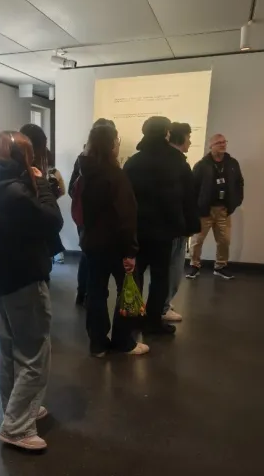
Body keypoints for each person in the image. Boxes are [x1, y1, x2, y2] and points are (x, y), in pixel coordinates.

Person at [0, 131, 63, 452]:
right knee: (34, 353)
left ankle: (16, 410)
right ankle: (17, 427)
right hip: (23, 278)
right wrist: (43, 185)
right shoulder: (16, 193)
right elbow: (52, 221)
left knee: (10, 349)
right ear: (24, 158)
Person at [124, 116, 198, 335]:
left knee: (136, 275)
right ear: (166, 133)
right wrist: (189, 226)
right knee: (160, 278)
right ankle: (154, 320)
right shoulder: (177, 161)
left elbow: (124, 198)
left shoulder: (133, 162)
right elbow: (188, 197)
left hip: (138, 230)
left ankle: (134, 318)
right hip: (164, 231)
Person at [79, 124, 148, 358]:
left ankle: (97, 344)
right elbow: (126, 216)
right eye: (117, 141)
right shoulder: (116, 176)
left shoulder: (85, 172)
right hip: (116, 246)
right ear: (111, 145)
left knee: (95, 292)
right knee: (127, 289)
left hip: (92, 243)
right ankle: (123, 341)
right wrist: (130, 251)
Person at [69, 118, 117, 307]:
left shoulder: (83, 159)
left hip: (84, 217)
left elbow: (72, 189)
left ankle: (83, 292)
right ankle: (90, 293)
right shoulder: (108, 166)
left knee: (86, 253)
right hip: (96, 219)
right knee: (93, 256)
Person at [187, 134, 244, 280]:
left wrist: (236, 201)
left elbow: (239, 183)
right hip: (204, 210)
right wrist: (196, 207)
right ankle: (194, 265)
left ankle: (220, 266)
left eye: (224, 142)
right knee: (197, 240)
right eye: (219, 143)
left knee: (224, 240)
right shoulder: (202, 165)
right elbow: (192, 187)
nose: (223, 145)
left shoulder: (232, 163)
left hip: (223, 209)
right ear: (211, 146)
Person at [162, 122, 200, 322]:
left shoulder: (159, 160)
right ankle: (163, 306)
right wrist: (190, 226)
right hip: (175, 226)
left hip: (162, 226)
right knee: (173, 268)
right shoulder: (179, 165)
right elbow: (186, 199)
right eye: (188, 137)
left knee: (165, 268)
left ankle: (162, 303)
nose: (190, 142)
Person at [20, 123, 65, 265]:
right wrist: (43, 186)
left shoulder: (9, 172)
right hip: (33, 251)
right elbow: (54, 221)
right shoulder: (33, 175)